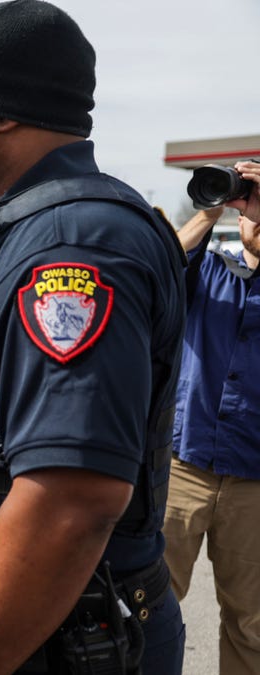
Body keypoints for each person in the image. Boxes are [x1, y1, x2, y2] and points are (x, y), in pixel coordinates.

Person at [0, 1, 187, 673]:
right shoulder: (15, 228)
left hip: (42, 643)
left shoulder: (70, 245)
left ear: (6, 109)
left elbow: (71, 502)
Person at [164, 162, 260, 675]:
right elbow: (158, 265)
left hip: (254, 484)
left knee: (253, 625)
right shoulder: (210, 273)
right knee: (146, 605)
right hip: (184, 468)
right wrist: (215, 205)